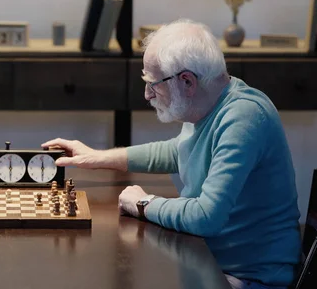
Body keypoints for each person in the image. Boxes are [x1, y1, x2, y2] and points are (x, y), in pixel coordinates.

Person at [43, 19, 301, 289]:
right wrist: (97, 157)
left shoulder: (244, 117)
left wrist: (143, 203)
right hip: (211, 262)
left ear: (187, 81)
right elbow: (177, 151)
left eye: (153, 84)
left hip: (249, 279)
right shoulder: (208, 100)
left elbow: (205, 217)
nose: (147, 94)